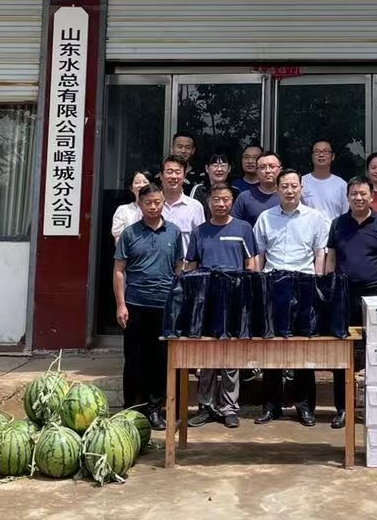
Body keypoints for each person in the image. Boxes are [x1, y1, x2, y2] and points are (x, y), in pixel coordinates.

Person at [251, 169, 330, 426]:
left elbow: (320, 254)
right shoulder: (265, 218)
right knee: (272, 346)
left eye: (294, 186)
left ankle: (304, 407)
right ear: (277, 189)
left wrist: (318, 284)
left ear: (301, 188)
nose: (289, 190)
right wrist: (259, 283)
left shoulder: (315, 218)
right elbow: (259, 254)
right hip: (273, 285)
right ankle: (271, 406)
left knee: (303, 347)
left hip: (304, 285)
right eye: (284, 186)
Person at [327, 175, 377, 429]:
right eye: (354, 194)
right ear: (347, 197)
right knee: (342, 352)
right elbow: (331, 260)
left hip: (375, 295)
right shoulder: (337, 224)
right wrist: (329, 291)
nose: (358, 198)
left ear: (371, 196)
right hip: (343, 296)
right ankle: (342, 408)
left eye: (363, 194)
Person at [184, 183, 256, 430]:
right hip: (207, 301)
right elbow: (191, 266)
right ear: (209, 202)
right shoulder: (199, 232)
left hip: (235, 300)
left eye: (225, 199)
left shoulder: (244, 228)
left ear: (232, 201)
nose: (221, 204)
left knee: (231, 355)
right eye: (216, 199)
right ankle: (205, 406)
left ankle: (229, 408)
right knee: (206, 355)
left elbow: (251, 264)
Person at [114, 183, 182, 431]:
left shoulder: (173, 232)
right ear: (140, 205)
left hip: (163, 307)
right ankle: (132, 410)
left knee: (159, 360)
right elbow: (119, 271)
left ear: (163, 203)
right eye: (148, 203)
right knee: (134, 359)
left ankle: (155, 410)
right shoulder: (130, 233)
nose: (153, 207)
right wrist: (121, 305)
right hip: (135, 305)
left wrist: (176, 301)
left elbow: (178, 267)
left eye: (157, 202)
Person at [159, 155, 205, 262]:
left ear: (184, 176)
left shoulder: (195, 207)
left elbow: (201, 242)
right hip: (155, 270)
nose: (174, 176)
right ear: (161, 176)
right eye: (169, 172)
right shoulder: (150, 205)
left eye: (178, 172)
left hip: (185, 269)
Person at [301, 138, 349, 218]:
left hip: (334, 226)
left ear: (332, 156)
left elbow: (346, 214)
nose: (321, 155)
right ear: (312, 156)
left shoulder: (342, 185)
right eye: (317, 151)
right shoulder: (301, 182)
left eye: (325, 151)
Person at [232, 151, 281, 225]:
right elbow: (234, 226)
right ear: (257, 171)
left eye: (272, 166)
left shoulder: (288, 196)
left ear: (280, 170)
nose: (267, 171)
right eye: (262, 167)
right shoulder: (244, 197)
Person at [110, 171, 151, 242]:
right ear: (131, 188)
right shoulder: (123, 210)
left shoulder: (159, 209)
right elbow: (118, 239)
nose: (141, 185)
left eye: (145, 182)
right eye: (137, 182)